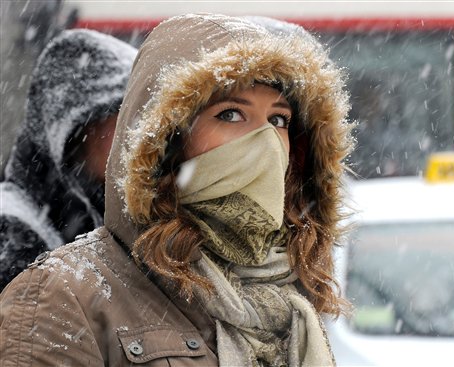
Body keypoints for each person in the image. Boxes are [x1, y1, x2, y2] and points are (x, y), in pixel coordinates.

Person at [0, 14, 353, 366]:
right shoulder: (64, 296)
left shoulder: (287, 295)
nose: (265, 143)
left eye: (279, 120)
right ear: (170, 140)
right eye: (230, 114)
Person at [0, 29, 137, 289]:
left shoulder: (98, 210)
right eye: (123, 116)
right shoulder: (12, 235)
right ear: (79, 128)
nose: (139, 134)